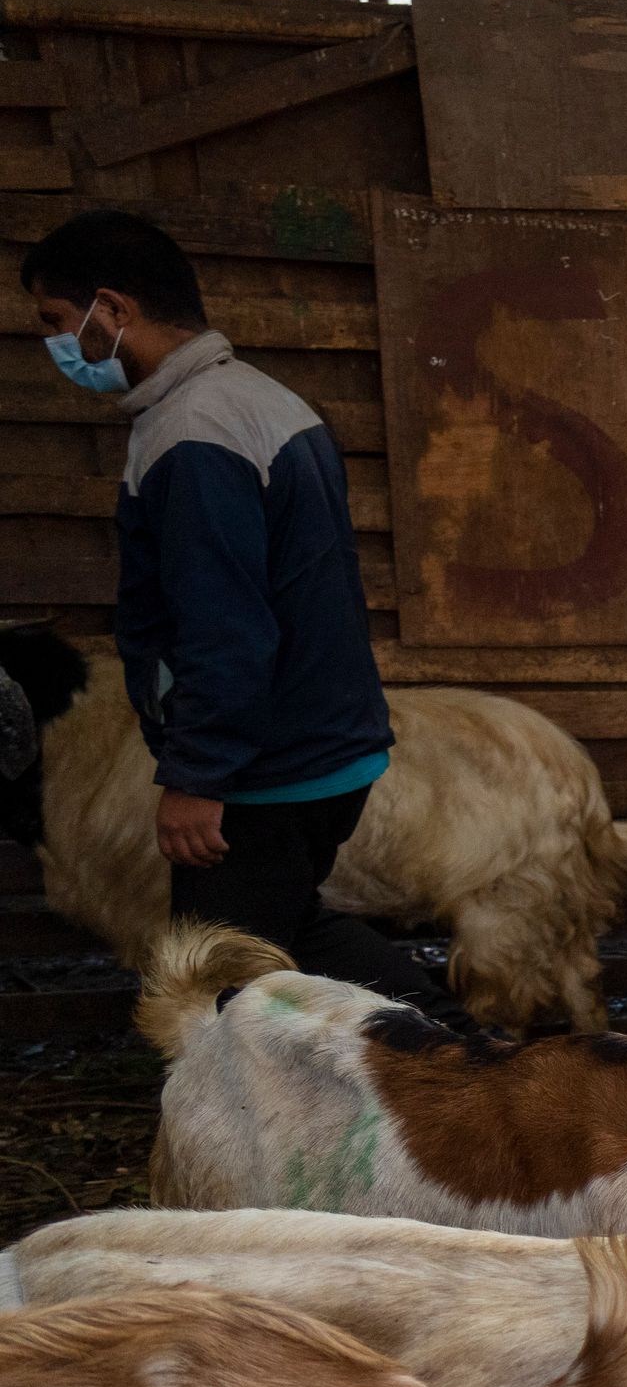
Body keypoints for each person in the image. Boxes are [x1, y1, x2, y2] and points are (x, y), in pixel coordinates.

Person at [21, 208, 437, 1002]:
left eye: (55, 323)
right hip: (315, 745)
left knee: (214, 979)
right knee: (282, 935)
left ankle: (456, 1068)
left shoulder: (194, 432)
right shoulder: (258, 401)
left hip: (266, 766)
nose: (54, 347)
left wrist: (197, 779)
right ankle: (457, 1054)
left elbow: (222, 624)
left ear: (113, 311)